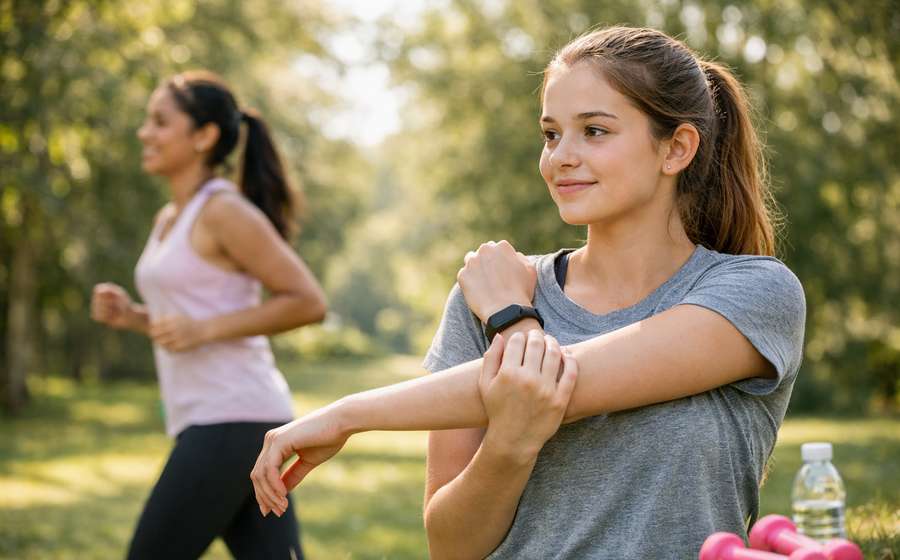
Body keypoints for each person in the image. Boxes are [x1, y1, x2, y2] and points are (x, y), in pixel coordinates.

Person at [250, 26, 806, 559]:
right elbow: (451, 548)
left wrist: (353, 412)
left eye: (595, 130)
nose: (560, 155)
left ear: (676, 148)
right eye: (550, 133)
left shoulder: (753, 293)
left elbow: (562, 381)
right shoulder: (483, 296)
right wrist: (510, 443)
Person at [91, 70, 326, 559]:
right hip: (222, 418)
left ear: (204, 136)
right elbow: (191, 314)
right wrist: (132, 316)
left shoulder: (224, 211)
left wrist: (204, 330)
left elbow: (307, 301)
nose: (144, 133)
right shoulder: (170, 217)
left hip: (232, 417)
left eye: (159, 122)